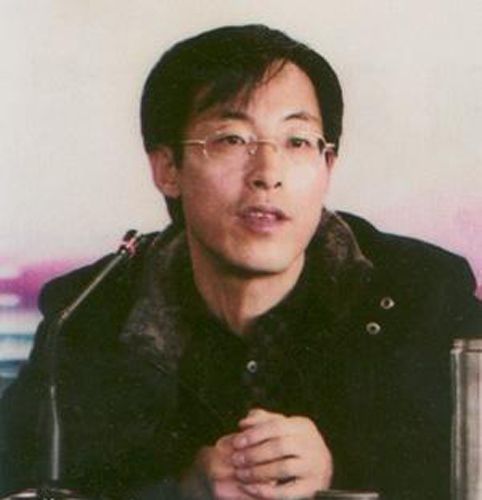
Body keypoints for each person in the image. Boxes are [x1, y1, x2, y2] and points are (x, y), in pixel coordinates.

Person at [1, 24, 481, 500]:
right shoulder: (87, 314)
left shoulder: (426, 296)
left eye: (297, 141)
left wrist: (342, 473)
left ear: (327, 166)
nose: (267, 174)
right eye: (232, 139)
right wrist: (178, 490)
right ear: (168, 169)